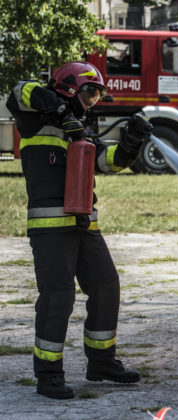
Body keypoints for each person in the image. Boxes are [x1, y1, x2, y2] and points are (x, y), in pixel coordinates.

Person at [6, 61, 152, 399]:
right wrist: (59, 111)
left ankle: (101, 362)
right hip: (50, 228)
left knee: (106, 286)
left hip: (85, 225)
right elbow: (20, 90)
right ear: (69, 86)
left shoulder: (80, 130)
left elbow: (106, 161)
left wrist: (131, 142)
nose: (91, 102)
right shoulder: (33, 120)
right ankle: (48, 375)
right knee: (58, 297)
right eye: (89, 93)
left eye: (96, 96)